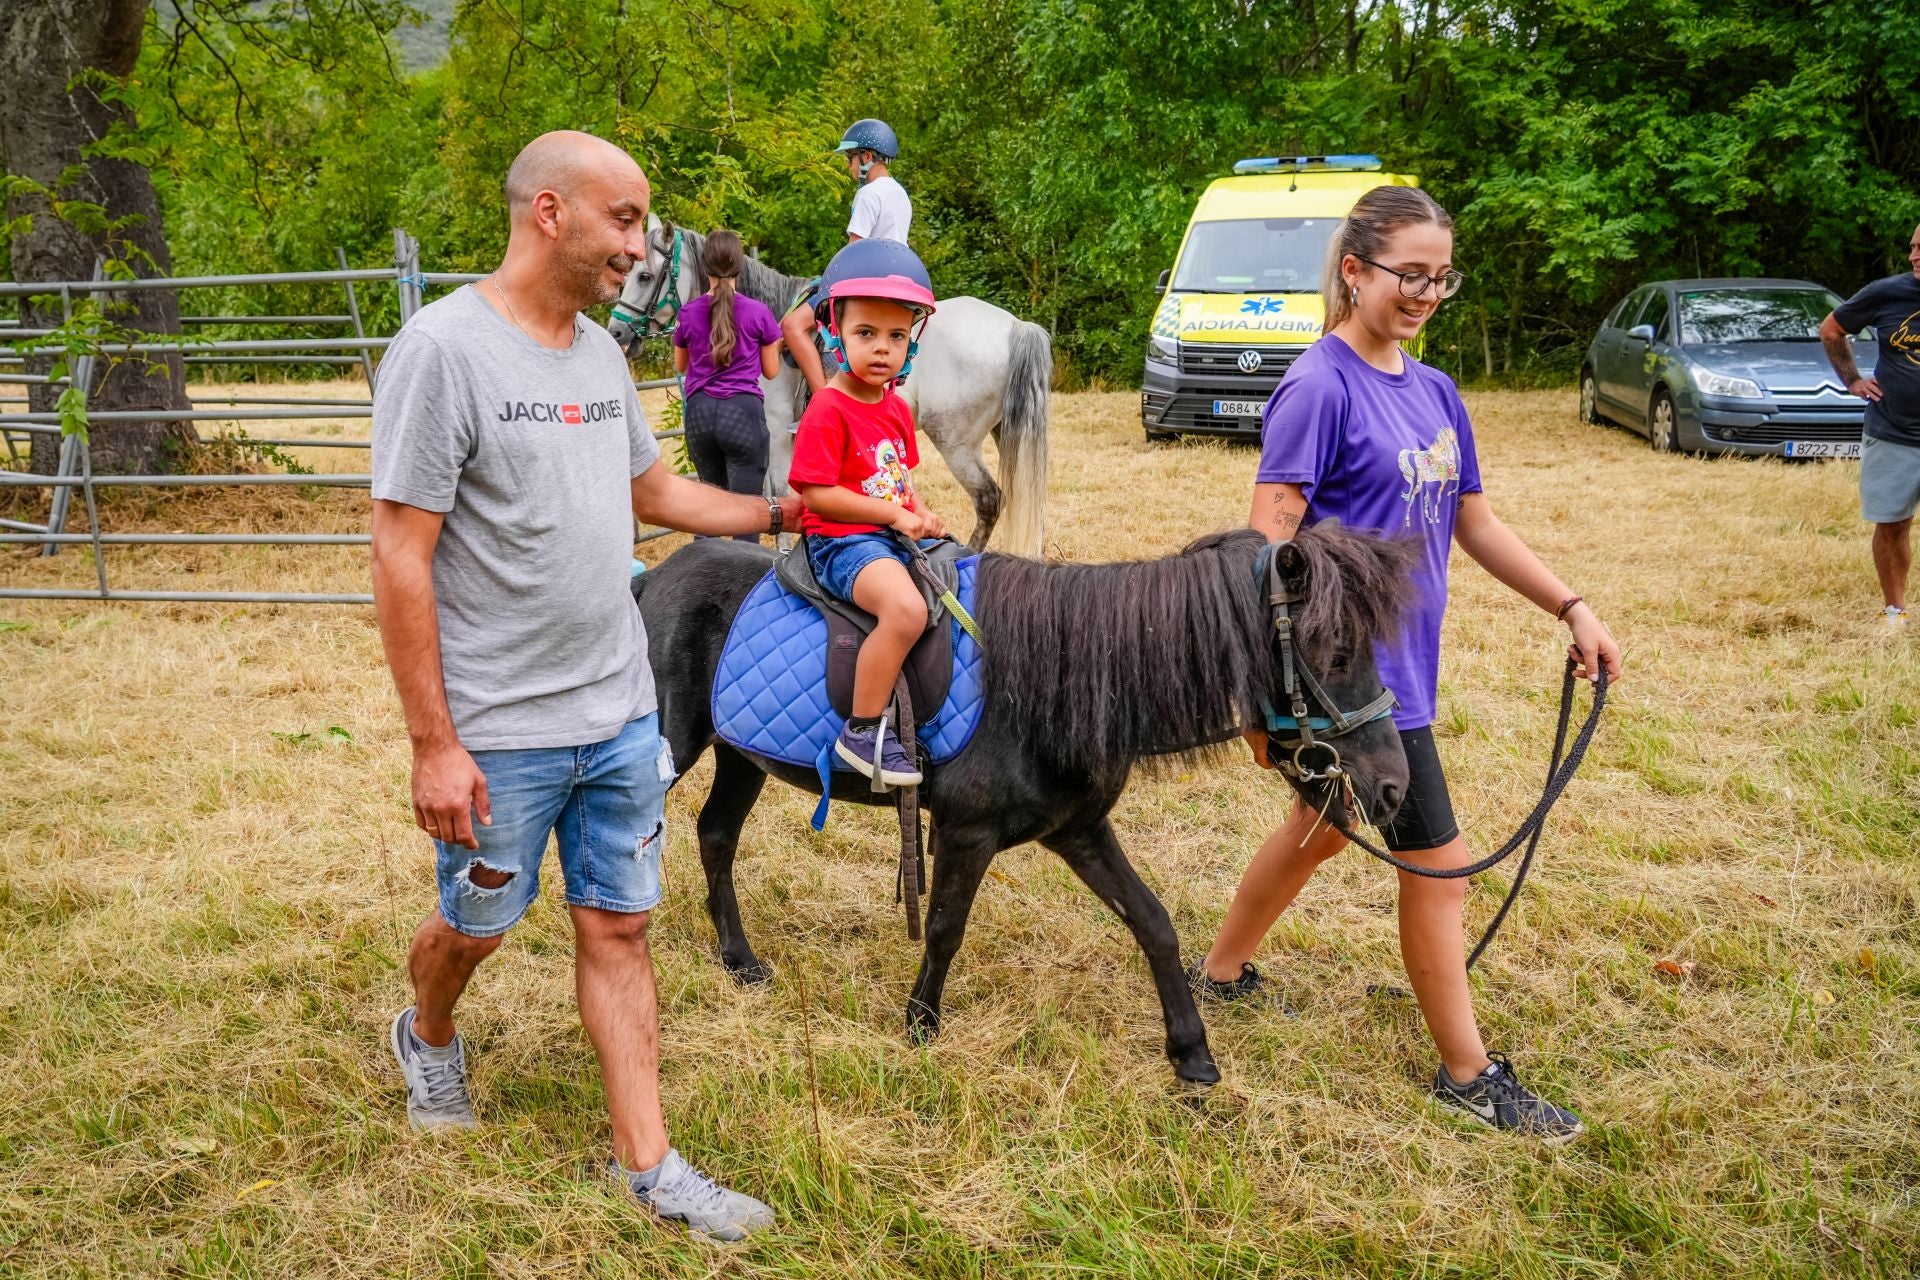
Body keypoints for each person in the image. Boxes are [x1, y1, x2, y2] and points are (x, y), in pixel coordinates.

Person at [369, 130, 799, 1242]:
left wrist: (794, 511)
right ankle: (427, 1031)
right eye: (624, 219)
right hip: (500, 726)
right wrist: (433, 743)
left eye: (644, 222)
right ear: (548, 212)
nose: (642, 243)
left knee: (619, 928)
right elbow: (401, 553)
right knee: (478, 922)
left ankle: (649, 1166)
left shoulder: (602, 355)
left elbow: (655, 491)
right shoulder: (446, 351)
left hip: (618, 708)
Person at [1193, 185, 1623, 1143]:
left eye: (1441, 277)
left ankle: (1219, 972)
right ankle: (1468, 1076)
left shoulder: (1432, 390)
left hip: (1408, 672)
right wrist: (1263, 698)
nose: (1427, 292)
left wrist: (1571, 604)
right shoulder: (1319, 385)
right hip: (1349, 682)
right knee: (1440, 870)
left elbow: (1472, 518)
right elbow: (1269, 551)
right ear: (1354, 270)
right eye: (1408, 274)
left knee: (1330, 822)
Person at [786, 239, 947, 784]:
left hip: (884, 530)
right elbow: (816, 495)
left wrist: (920, 513)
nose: (883, 348)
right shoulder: (828, 408)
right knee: (906, 611)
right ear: (833, 332)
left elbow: (899, 477)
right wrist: (892, 515)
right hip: (843, 540)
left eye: (896, 336)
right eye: (866, 334)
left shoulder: (897, 408)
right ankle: (862, 730)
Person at [1819, 222, 1920, 629]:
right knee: (1892, 523)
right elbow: (1831, 330)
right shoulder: (1886, 292)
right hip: (1894, 432)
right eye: (1913, 247)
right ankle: (1895, 611)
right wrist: (1853, 381)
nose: (1915, 256)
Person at [782, 119, 914, 395]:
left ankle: (822, 399)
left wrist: (827, 279)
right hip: (899, 281)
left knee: (792, 325)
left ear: (867, 157)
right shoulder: (900, 193)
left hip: (866, 281)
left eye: (851, 159)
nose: (849, 166)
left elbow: (854, 251)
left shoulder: (868, 194)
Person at [671, 228, 783, 526]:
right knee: (746, 515)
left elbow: (681, 366)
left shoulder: (687, 313)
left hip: (700, 415)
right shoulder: (759, 312)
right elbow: (771, 371)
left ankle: (702, 569)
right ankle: (746, 574)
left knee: (707, 511)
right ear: (740, 266)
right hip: (743, 415)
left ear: (704, 267)